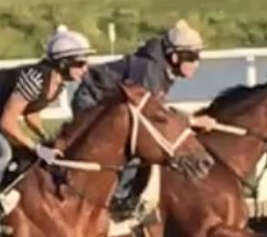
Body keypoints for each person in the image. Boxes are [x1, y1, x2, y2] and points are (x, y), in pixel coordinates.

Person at [0, 25, 95, 235]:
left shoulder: (57, 85)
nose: (85, 69)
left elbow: (30, 114)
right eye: (80, 63)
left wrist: (46, 139)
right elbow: (8, 123)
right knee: (2, 152)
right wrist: (37, 148)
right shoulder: (35, 79)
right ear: (63, 63)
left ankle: (0, 198)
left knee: (20, 154)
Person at [71, 19, 218, 219]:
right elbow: (151, 117)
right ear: (175, 57)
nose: (197, 63)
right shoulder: (151, 71)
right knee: (134, 148)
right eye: (192, 57)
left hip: (109, 101)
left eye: (198, 56)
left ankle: (125, 199)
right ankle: (115, 202)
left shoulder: (161, 70)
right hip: (92, 100)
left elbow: (158, 111)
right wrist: (191, 121)